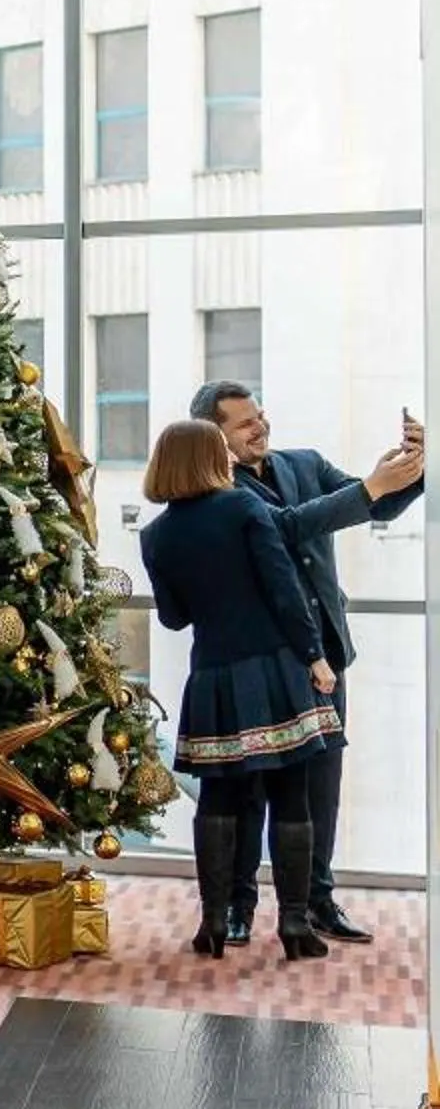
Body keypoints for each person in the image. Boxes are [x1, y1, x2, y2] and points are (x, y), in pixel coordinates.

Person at [187, 382, 423, 945]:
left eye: (261, 415)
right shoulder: (212, 490)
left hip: (323, 658)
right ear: (214, 435)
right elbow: (287, 524)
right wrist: (371, 485)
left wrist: (413, 472)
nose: (260, 427)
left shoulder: (306, 463)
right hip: (257, 660)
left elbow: (377, 503)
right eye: (245, 423)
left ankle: (317, 901)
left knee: (320, 788)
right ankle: (238, 905)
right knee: (248, 788)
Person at [138, 417, 342, 962]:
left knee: (219, 798)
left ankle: (212, 921)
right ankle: (294, 924)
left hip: (212, 677)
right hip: (275, 669)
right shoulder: (244, 507)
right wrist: (315, 656)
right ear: (209, 457)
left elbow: (174, 618)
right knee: (291, 794)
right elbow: (284, 590)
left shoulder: (155, 536)